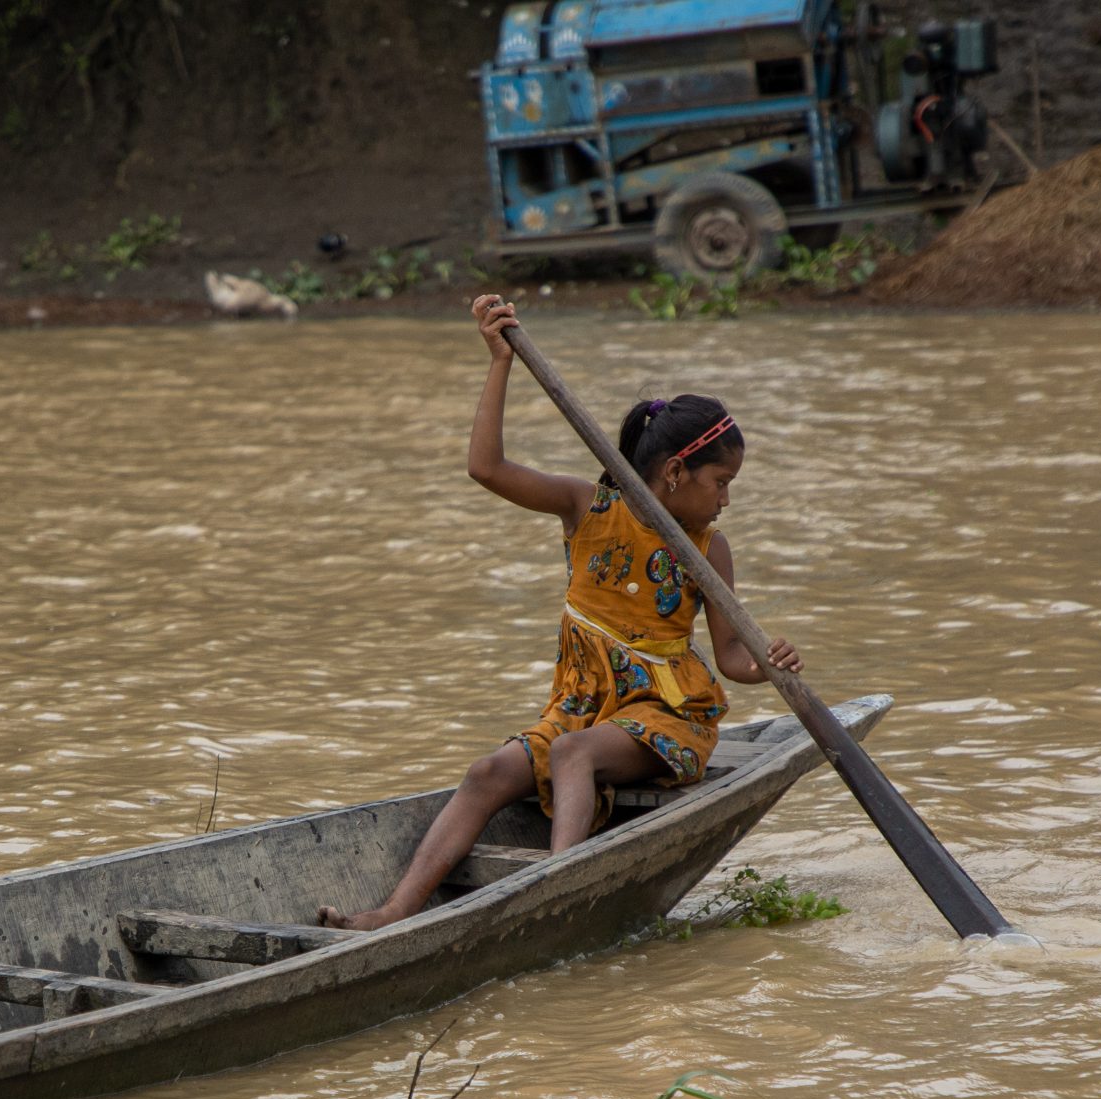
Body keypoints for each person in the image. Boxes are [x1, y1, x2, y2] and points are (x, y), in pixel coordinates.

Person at [319, 295, 804, 932]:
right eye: (721, 482)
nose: (727, 499)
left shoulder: (709, 549)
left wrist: (771, 666)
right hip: (583, 707)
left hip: (665, 715)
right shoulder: (588, 507)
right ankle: (389, 914)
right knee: (487, 771)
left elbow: (733, 659)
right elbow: (484, 468)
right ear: (677, 472)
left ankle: (555, 899)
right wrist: (500, 363)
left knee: (574, 755)